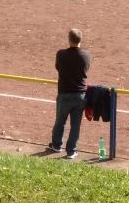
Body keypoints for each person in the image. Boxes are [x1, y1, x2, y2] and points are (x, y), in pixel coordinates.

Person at [48, 28, 91, 160]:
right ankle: (71, 150)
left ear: (69, 39)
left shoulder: (61, 54)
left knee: (60, 121)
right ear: (80, 40)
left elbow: (58, 67)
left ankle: (56, 145)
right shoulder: (86, 55)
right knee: (75, 125)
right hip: (80, 96)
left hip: (64, 94)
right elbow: (86, 69)